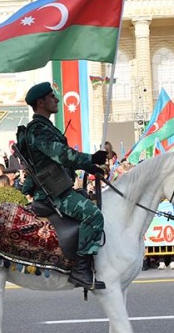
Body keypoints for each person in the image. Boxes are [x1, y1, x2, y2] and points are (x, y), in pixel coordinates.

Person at [16, 82, 108, 290]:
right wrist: (90, 158)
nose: (56, 99)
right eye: (52, 97)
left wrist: (91, 167)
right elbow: (61, 154)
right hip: (53, 193)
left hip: (55, 186)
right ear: (41, 103)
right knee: (93, 215)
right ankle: (81, 271)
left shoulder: (44, 127)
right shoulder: (38, 130)